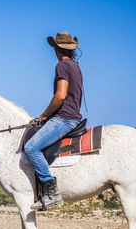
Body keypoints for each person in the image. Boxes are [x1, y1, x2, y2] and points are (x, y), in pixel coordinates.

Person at [25, 32, 83, 210]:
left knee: (31, 147)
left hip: (65, 118)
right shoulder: (75, 65)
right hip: (72, 115)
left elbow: (60, 96)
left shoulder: (62, 66)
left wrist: (44, 115)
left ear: (57, 49)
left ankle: (52, 193)